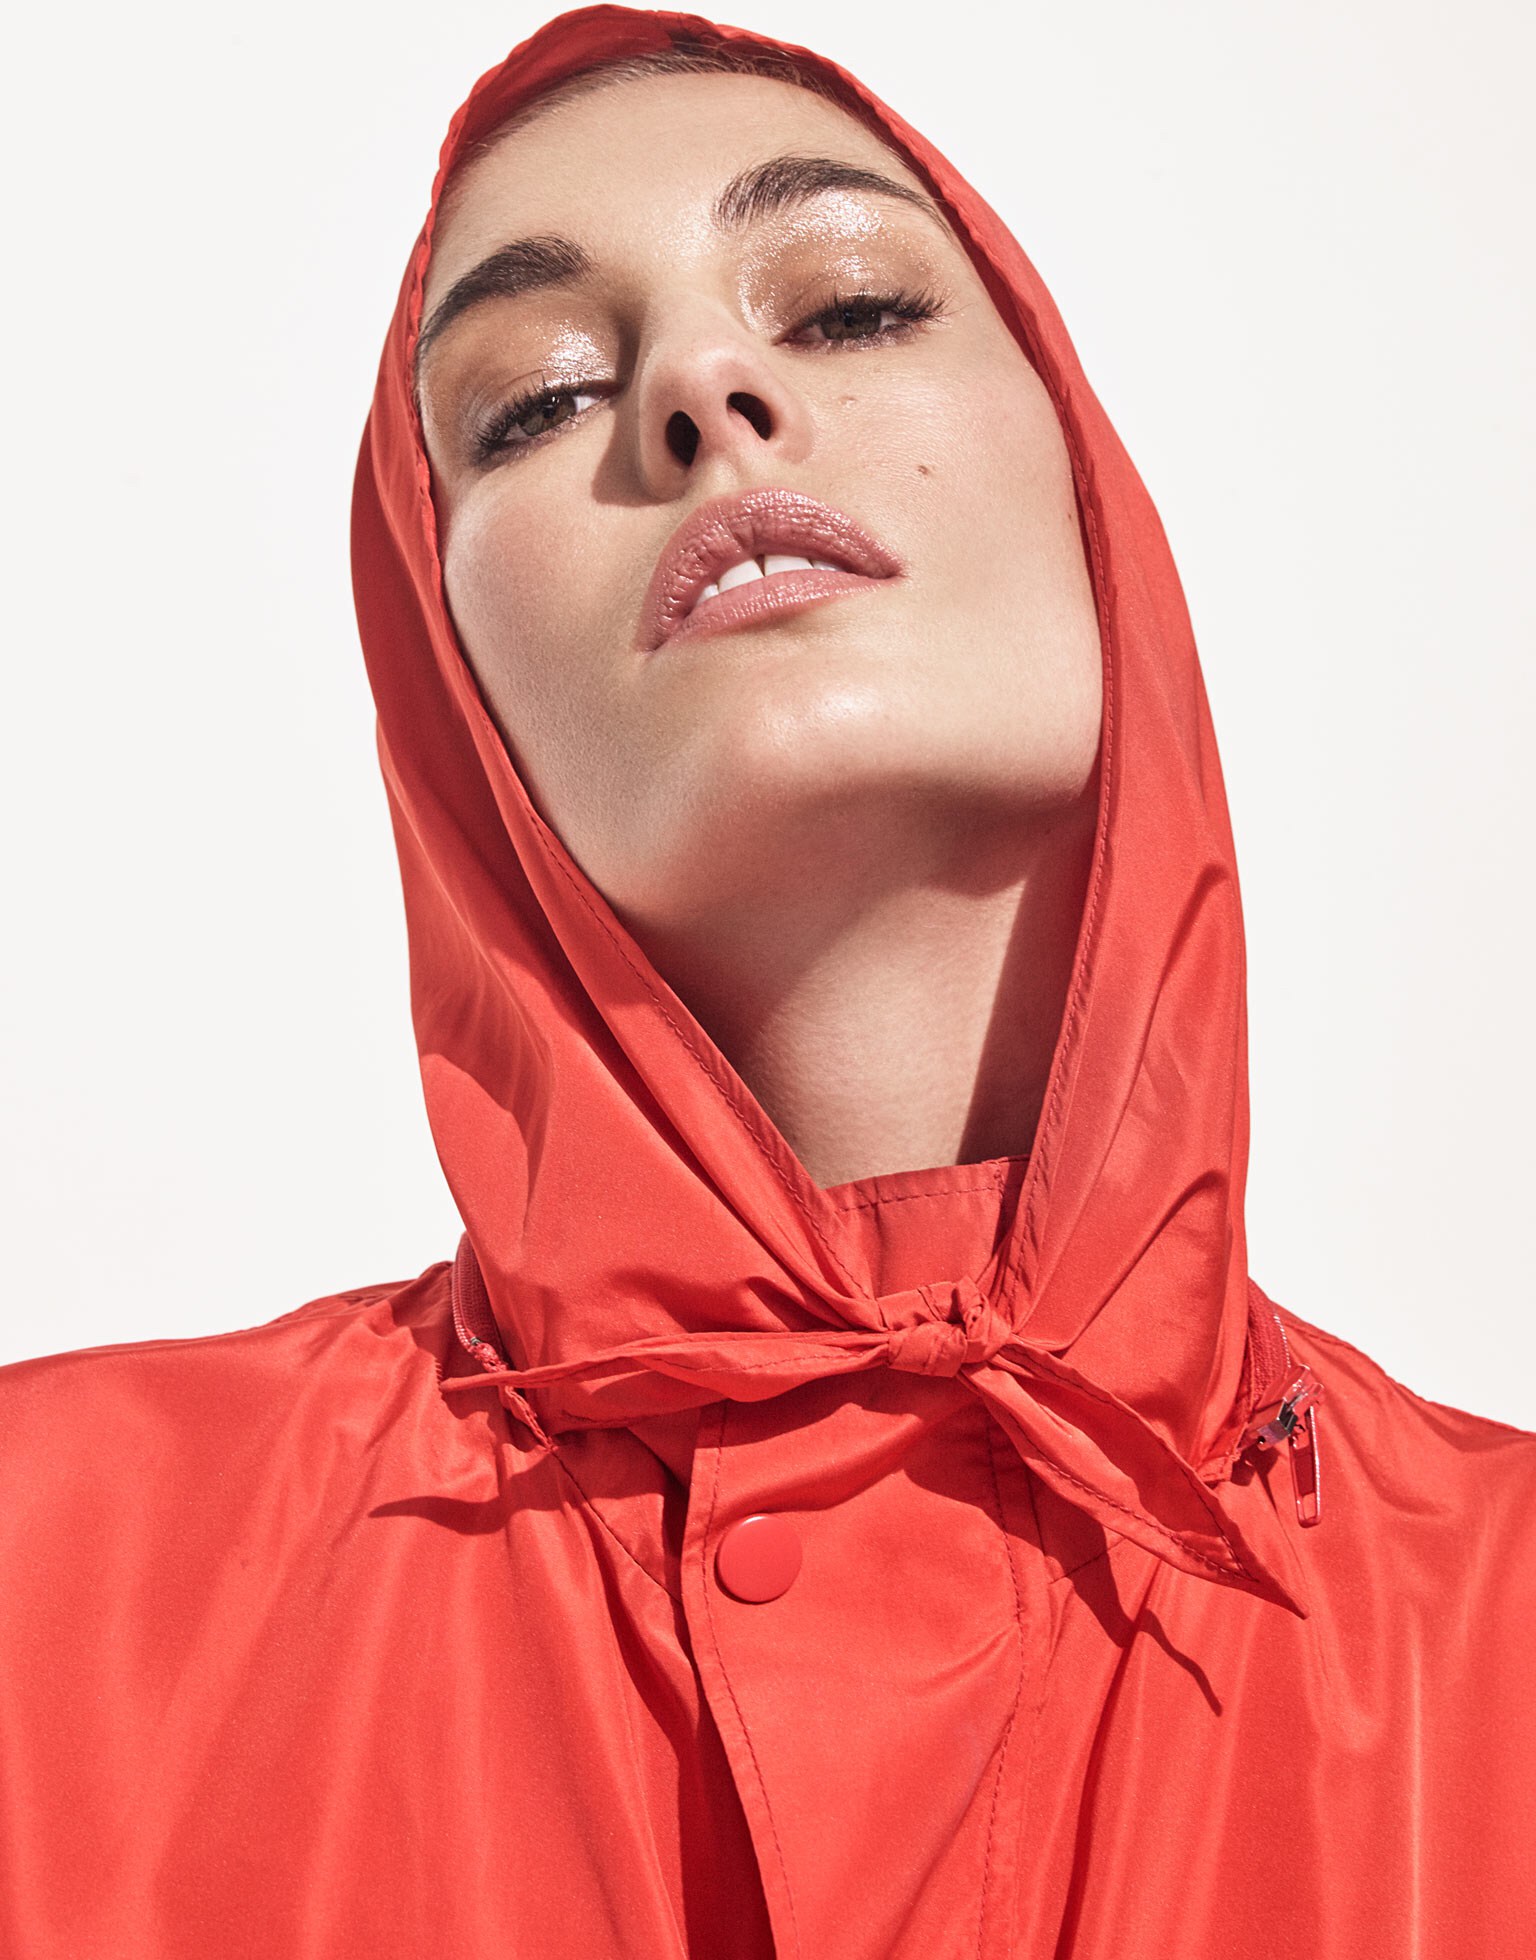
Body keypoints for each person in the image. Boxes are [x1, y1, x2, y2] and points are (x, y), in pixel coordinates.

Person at [2, 7, 1532, 1955]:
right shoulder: (50, 1589)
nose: (700, 388)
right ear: (445, 685)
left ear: (1091, 492)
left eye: (852, 306)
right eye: (536, 400)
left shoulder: (1502, 1642)